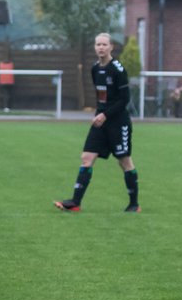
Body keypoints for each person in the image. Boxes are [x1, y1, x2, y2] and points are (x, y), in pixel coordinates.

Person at [54, 33, 141, 213]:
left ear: (111, 47)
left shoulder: (117, 69)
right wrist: (100, 114)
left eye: (104, 44)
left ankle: (134, 204)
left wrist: (105, 115)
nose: (100, 47)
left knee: (124, 162)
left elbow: (124, 99)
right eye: (98, 44)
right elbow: (102, 97)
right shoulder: (95, 69)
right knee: (86, 158)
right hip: (100, 121)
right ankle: (75, 203)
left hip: (118, 123)